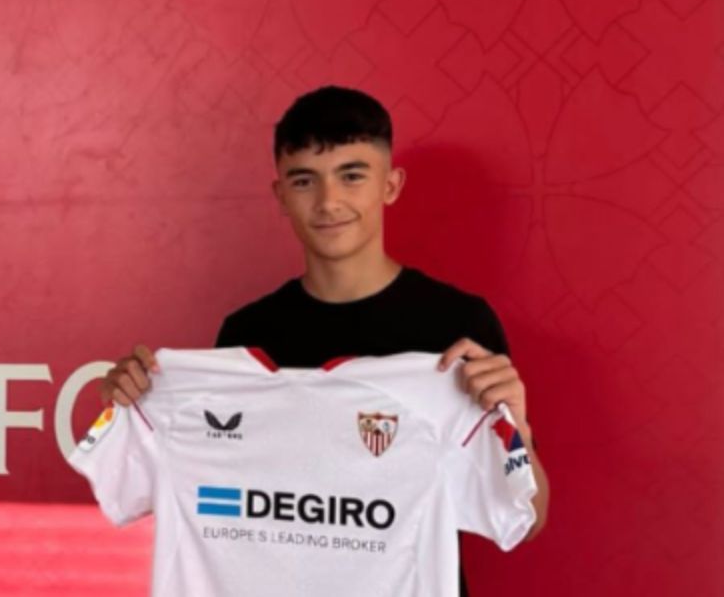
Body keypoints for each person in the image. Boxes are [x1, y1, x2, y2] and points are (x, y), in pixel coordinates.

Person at [98, 85, 550, 596]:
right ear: (280, 196)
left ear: (391, 185)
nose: (329, 201)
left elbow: (526, 519)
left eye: (352, 176)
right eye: (304, 180)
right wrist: (136, 405)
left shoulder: (457, 327)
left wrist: (518, 427)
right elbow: (215, 492)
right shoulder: (246, 334)